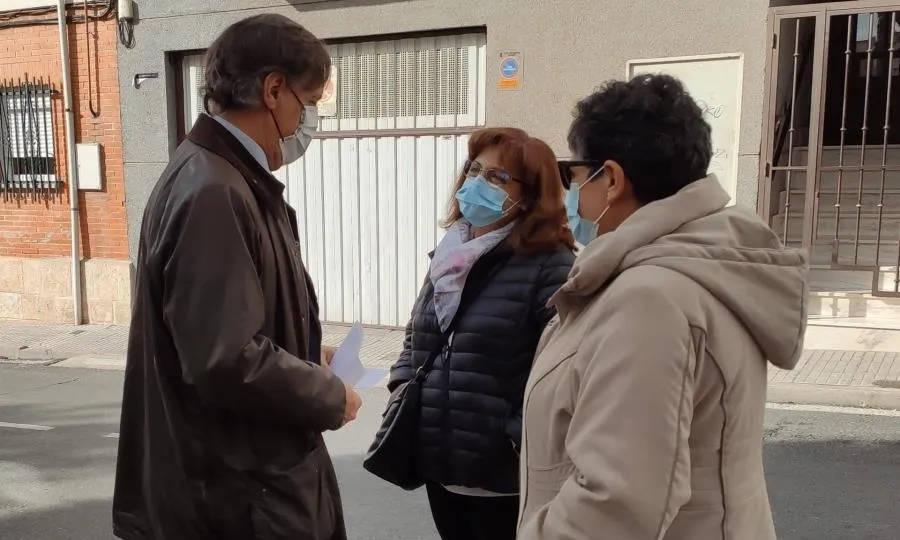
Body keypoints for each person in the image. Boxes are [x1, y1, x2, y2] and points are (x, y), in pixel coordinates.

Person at [517, 74, 808, 540]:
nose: (572, 195)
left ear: (612, 179)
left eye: (574, 175)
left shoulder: (649, 299)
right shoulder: (694, 268)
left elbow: (614, 507)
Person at [113, 14, 362, 540]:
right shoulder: (214, 190)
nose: (307, 121)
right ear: (273, 90)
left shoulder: (226, 177)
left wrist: (303, 351)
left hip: (243, 489)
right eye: (307, 101)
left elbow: (230, 327)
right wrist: (327, 395)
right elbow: (225, 358)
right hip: (237, 499)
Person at [385, 127, 576, 540]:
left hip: (502, 476)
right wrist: (401, 387)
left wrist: (517, 439)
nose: (477, 182)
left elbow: (560, 369)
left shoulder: (551, 264)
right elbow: (417, 334)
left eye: (497, 177)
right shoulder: (451, 253)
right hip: (440, 461)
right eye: (474, 169)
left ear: (529, 195)